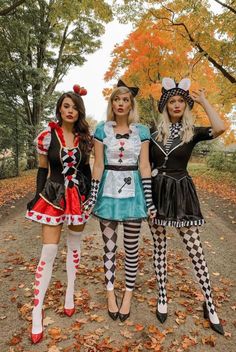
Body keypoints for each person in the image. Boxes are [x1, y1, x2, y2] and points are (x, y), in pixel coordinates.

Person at [149, 77, 226, 335]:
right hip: (158, 194)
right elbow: (144, 166)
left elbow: (220, 128)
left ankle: (210, 303)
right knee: (159, 247)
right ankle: (162, 296)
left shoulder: (191, 132)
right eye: (172, 101)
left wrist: (203, 101)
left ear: (186, 105)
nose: (177, 104)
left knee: (195, 249)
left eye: (181, 100)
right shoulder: (152, 134)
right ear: (165, 106)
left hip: (182, 193)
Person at [84, 79, 156, 322]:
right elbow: (98, 164)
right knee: (109, 248)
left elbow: (144, 166)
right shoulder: (102, 129)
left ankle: (127, 294)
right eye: (117, 99)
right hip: (108, 192)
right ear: (112, 103)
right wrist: (92, 196)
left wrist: (149, 200)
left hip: (133, 194)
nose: (121, 103)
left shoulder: (142, 131)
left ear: (131, 104)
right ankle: (110, 293)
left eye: (126, 99)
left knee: (133, 248)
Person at [26, 85, 92, 344]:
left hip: (77, 199)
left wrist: (88, 197)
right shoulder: (46, 136)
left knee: (74, 247)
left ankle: (70, 293)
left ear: (79, 112)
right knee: (49, 252)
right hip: (53, 196)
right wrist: (36, 195)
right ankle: (36, 311)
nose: (70, 111)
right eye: (66, 106)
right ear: (59, 109)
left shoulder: (84, 139)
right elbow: (43, 169)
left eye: (75, 107)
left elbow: (85, 170)